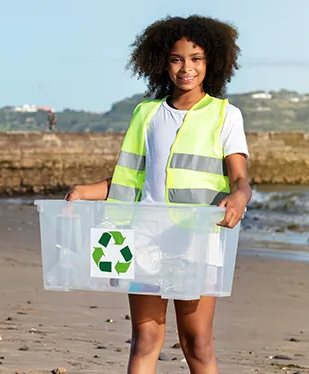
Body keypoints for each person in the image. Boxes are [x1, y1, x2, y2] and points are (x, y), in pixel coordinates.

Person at [64, 15, 251, 373]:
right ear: (161, 62)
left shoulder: (226, 115)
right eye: (177, 59)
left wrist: (239, 198)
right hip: (144, 238)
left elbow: (240, 180)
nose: (186, 68)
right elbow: (130, 179)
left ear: (211, 61)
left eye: (196, 58)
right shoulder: (146, 114)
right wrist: (84, 192)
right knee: (145, 340)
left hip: (197, 240)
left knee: (197, 342)